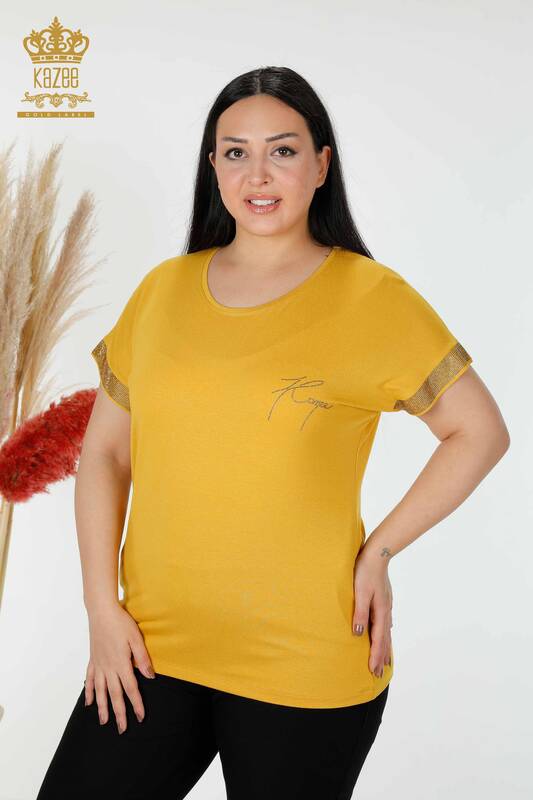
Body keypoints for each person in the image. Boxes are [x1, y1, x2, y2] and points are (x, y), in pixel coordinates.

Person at [36, 65, 510, 800]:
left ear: (321, 165)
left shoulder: (373, 298)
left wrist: (379, 550)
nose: (257, 174)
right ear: (213, 166)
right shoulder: (162, 292)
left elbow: (479, 431)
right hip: (150, 648)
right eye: (235, 152)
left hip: (305, 661)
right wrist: (102, 608)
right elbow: (104, 453)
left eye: (282, 151)